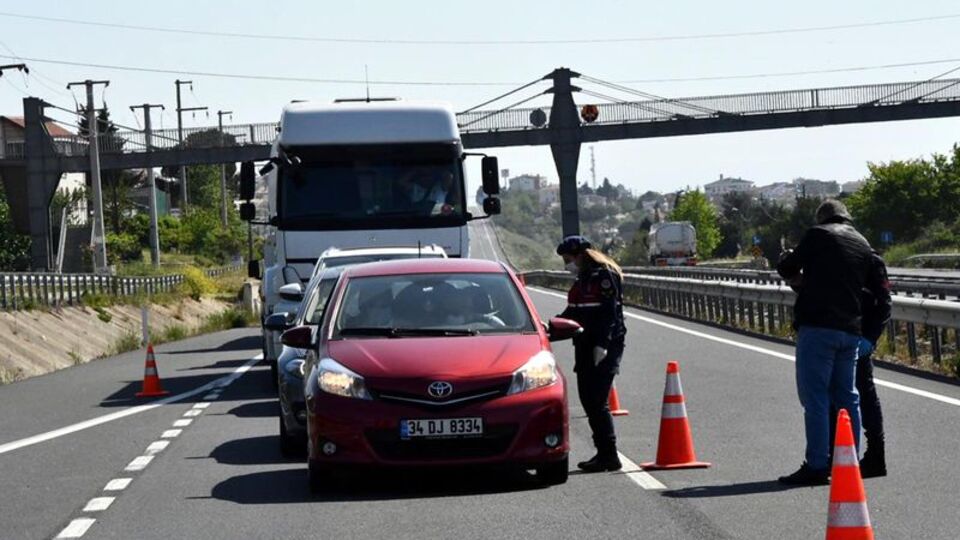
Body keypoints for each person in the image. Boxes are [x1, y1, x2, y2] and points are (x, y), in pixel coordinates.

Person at [776, 200, 891, 485]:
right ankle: (846, 462)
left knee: (815, 399)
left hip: (818, 327)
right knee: (848, 398)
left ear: (822, 218)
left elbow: (788, 267)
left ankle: (816, 465)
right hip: (851, 331)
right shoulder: (863, 244)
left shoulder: (818, 235)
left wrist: (791, 266)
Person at [555, 235, 627, 472]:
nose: (567, 264)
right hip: (584, 344)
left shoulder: (604, 275)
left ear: (579, 255)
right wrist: (548, 329)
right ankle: (603, 453)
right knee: (587, 399)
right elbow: (572, 312)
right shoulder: (582, 278)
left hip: (605, 345)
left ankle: (609, 455)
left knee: (597, 400)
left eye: (568, 259)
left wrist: (603, 345)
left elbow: (609, 313)